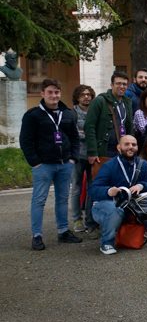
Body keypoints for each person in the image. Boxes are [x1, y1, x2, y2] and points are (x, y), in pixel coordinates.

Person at [20, 78, 82, 250]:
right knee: (39, 200)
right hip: (43, 166)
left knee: (62, 199)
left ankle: (63, 231)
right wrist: (35, 162)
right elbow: (26, 140)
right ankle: (37, 235)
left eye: (56, 92)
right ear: (43, 93)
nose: (54, 95)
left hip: (65, 164)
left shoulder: (68, 113)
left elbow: (75, 138)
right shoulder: (33, 115)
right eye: (50, 92)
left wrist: (73, 158)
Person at [90, 135, 147, 255]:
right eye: (127, 144)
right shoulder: (109, 165)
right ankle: (107, 243)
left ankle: (133, 232)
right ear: (119, 147)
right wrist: (108, 191)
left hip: (129, 205)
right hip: (107, 204)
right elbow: (93, 190)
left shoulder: (142, 164)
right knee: (115, 210)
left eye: (134, 145)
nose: (131, 147)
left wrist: (141, 186)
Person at [84, 71, 133, 183]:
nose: (122, 86)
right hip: (104, 151)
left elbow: (130, 128)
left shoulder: (127, 103)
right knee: (101, 184)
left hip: (122, 151)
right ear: (111, 85)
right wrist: (92, 152)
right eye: (118, 83)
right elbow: (89, 127)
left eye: (124, 84)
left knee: (120, 183)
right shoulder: (100, 101)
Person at [69, 84, 96, 234]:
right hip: (78, 155)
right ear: (77, 97)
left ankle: (90, 219)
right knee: (76, 187)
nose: (86, 97)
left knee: (92, 187)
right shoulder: (72, 113)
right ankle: (77, 219)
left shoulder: (95, 111)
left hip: (93, 154)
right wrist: (90, 134)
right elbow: (73, 134)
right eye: (83, 95)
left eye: (88, 95)